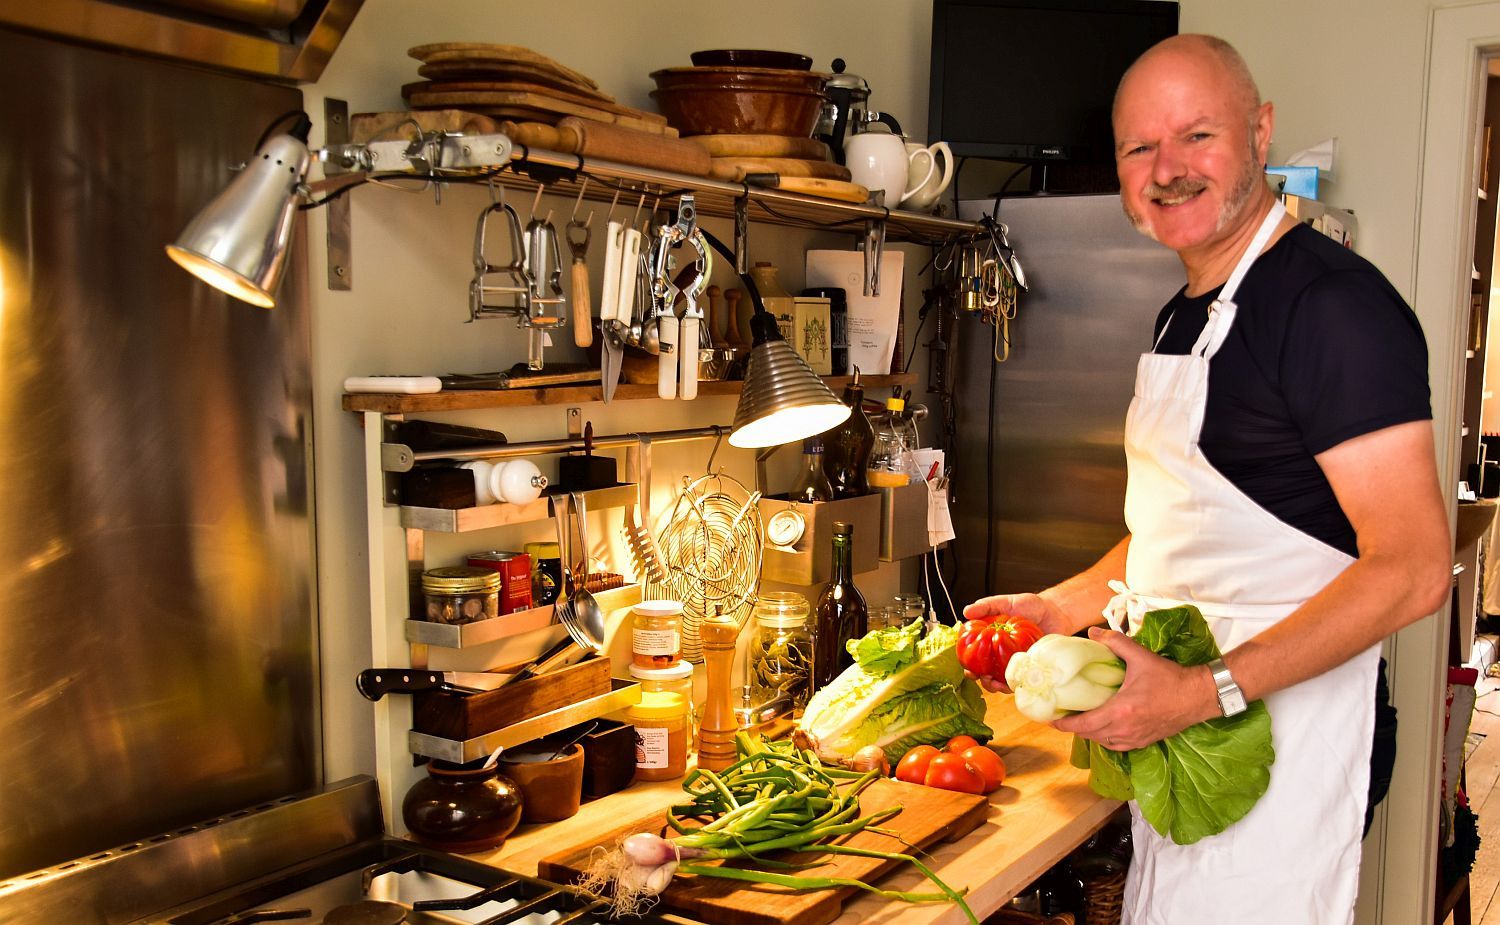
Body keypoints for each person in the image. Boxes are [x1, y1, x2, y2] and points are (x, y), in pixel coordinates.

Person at [963, 34, 1451, 923]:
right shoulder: (1181, 313)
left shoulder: (1335, 309)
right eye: (1139, 146)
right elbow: (1187, 526)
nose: (1167, 169)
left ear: (1260, 132)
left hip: (1285, 748)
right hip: (1186, 740)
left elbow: (1414, 569)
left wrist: (1198, 693)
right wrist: (1064, 605)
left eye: (1197, 135)